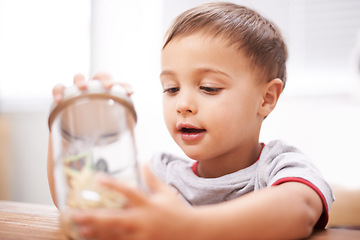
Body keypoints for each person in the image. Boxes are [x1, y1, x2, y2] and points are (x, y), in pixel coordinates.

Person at [47, 2, 334, 239]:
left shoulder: (278, 166)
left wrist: (186, 226)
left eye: (209, 88)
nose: (182, 104)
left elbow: (298, 210)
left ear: (266, 98)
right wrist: (69, 129)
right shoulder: (162, 175)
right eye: (171, 88)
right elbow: (83, 209)